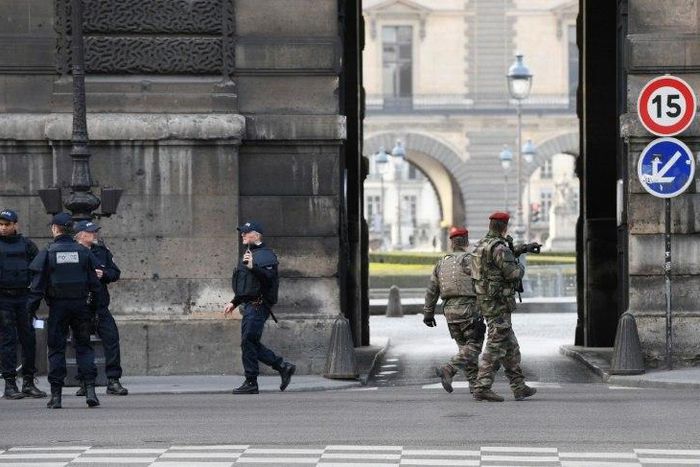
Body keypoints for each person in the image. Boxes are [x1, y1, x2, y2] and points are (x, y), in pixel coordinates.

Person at [27, 212, 102, 409]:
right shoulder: (83, 252)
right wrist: (94, 310)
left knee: (56, 349)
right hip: (81, 306)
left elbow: (37, 287)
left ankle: (57, 396)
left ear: (54, 229)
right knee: (84, 347)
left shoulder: (48, 252)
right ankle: (90, 391)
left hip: (58, 307)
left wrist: (29, 311)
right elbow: (95, 284)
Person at [470, 212, 536, 402]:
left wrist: (523, 249)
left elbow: (496, 259)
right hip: (498, 304)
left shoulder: (481, 245)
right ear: (504, 227)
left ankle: (519, 386)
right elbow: (513, 273)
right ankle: (482, 386)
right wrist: (520, 265)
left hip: (487, 301)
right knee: (495, 345)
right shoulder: (498, 247)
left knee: (511, 347)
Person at [223, 221, 295, 395]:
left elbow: (268, 278)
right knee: (250, 342)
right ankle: (282, 366)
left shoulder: (265, 255)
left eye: (245, 233)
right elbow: (247, 285)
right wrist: (234, 302)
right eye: (242, 233)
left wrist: (252, 267)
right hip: (249, 305)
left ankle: (252, 381)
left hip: (259, 305)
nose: (242, 235)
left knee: (248, 341)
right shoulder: (249, 253)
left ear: (255, 235)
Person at [423, 226, 486, 394]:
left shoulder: (441, 263)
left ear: (451, 243)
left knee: (464, 348)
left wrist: (428, 313)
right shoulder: (472, 260)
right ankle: (449, 369)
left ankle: (474, 386)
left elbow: (432, 290)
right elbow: (483, 284)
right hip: (469, 309)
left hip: (450, 312)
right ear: (465, 241)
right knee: (474, 346)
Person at [73, 220, 128, 396]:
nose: (94, 234)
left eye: (94, 231)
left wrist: (103, 274)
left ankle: (113, 380)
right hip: (81, 307)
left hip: (100, 306)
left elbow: (115, 273)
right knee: (81, 344)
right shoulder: (72, 252)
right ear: (81, 235)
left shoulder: (102, 252)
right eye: (90, 232)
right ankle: (85, 382)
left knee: (112, 340)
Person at [0, 209, 47, 399]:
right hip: (3, 298)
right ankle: (10, 384)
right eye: (1, 224)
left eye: (7, 224)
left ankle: (28, 381)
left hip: (23, 298)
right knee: (8, 341)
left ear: (15, 225)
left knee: (28, 340)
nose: (3, 228)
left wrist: (33, 297)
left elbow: (39, 272)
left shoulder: (27, 245)